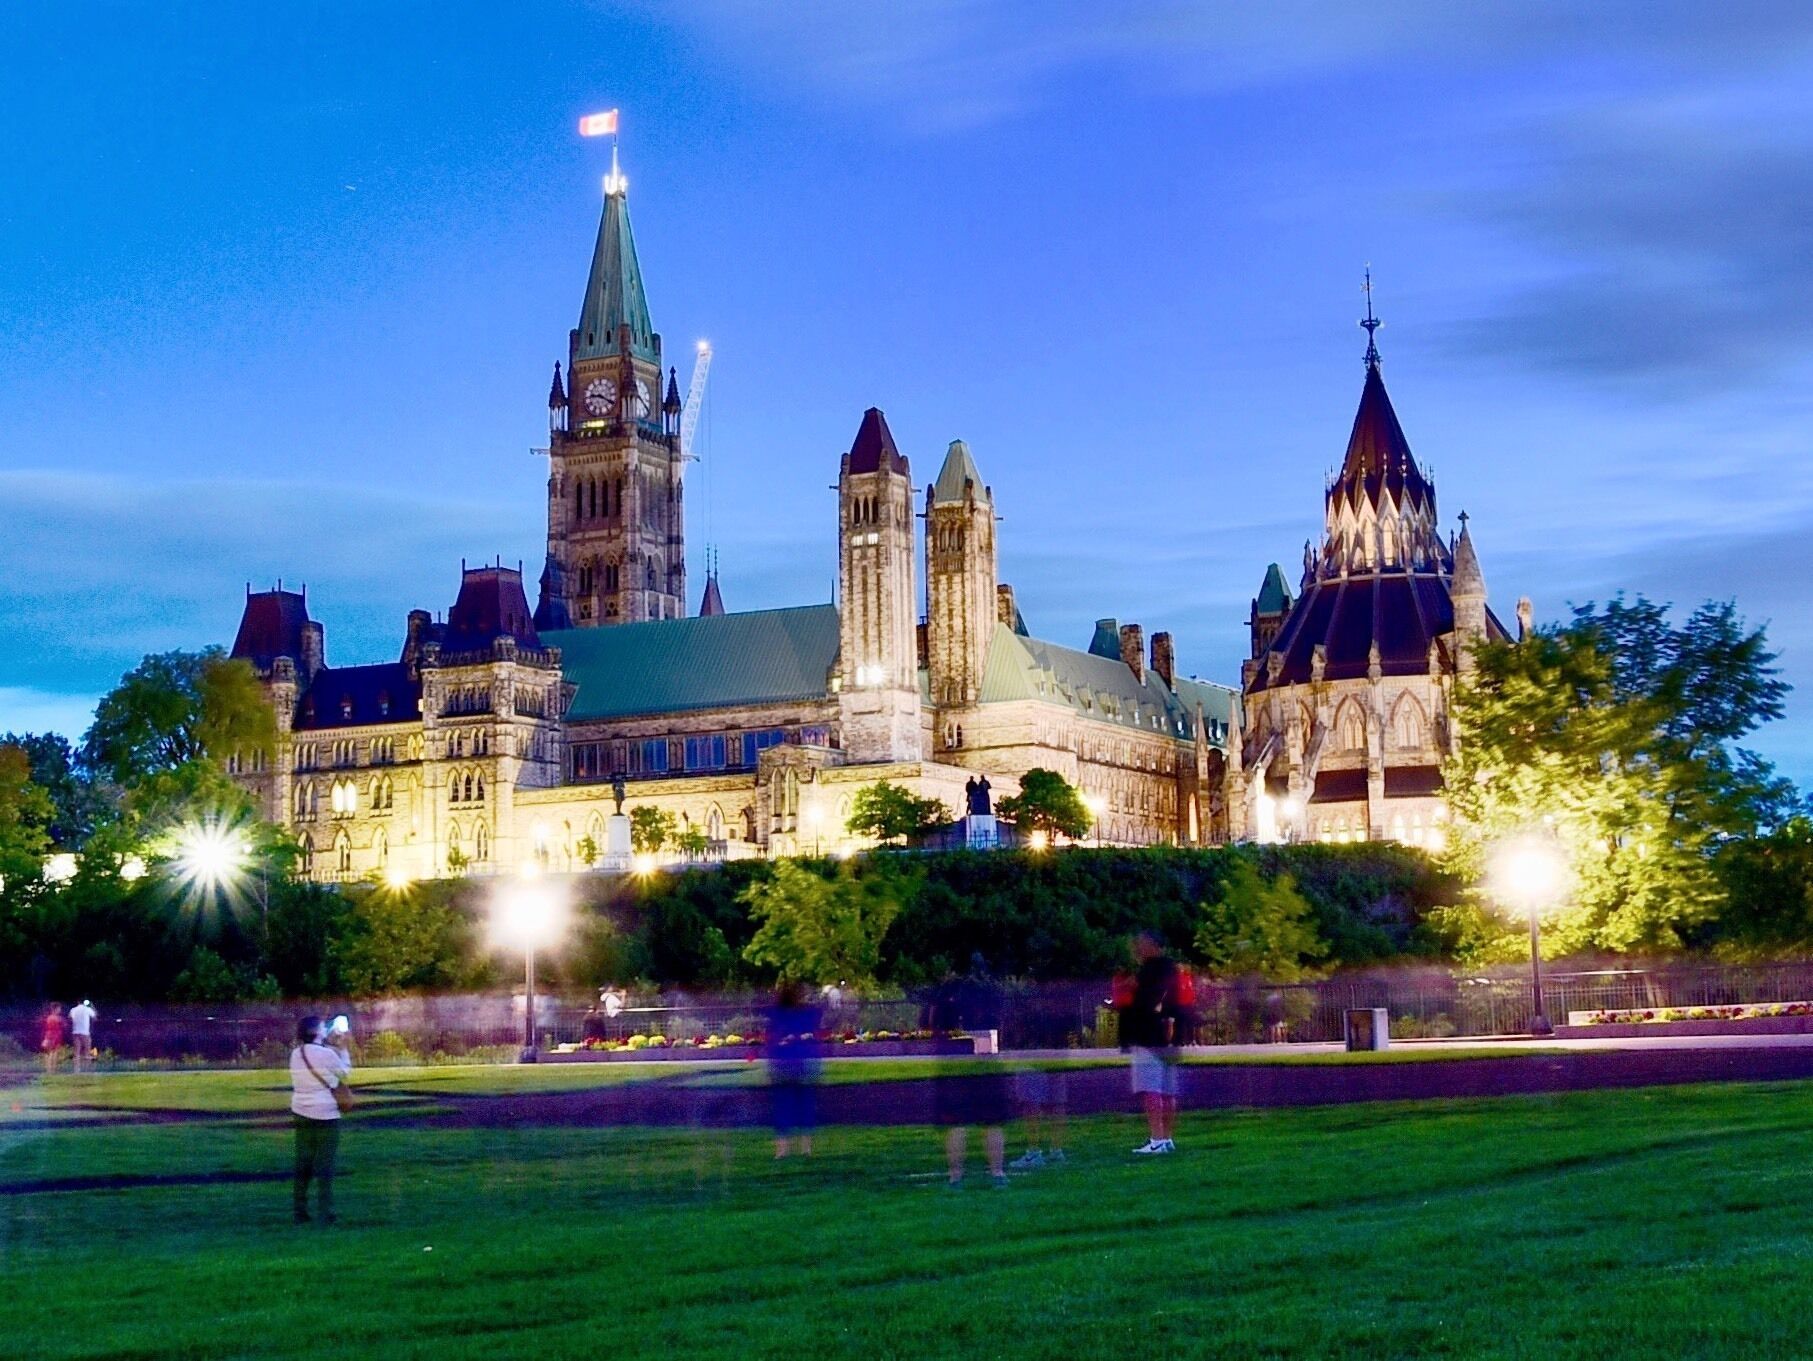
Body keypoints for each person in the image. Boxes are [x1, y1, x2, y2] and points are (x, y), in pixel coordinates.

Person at [928, 957, 1011, 1188]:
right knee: (992, 1121)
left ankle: (956, 1177)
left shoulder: (948, 990)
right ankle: (997, 1173)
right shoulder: (990, 989)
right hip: (987, 1057)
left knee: (956, 1123)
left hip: (955, 1058)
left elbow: (933, 1021)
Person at [289, 1015, 352, 1225]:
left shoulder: (296, 1054)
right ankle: (325, 1213)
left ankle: (300, 1211)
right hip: (325, 1114)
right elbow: (344, 1073)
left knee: (303, 1164)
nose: (325, 1029)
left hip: (301, 1111)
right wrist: (342, 1048)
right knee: (325, 1165)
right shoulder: (327, 1054)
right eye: (322, 1027)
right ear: (316, 1032)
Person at [1123, 932, 1182, 1155]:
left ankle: (1156, 1139)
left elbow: (1137, 994)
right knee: (1168, 1091)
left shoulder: (1149, 969)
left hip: (1147, 1034)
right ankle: (1166, 1138)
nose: (1138, 948)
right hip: (1168, 1035)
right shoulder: (1172, 968)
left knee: (1151, 1089)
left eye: (1141, 944)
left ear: (1153, 945)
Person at [765, 980, 823, 1158]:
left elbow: (773, 1039)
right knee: (805, 1106)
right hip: (803, 1063)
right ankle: (805, 1149)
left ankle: (782, 1150)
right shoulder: (807, 1013)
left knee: (783, 1107)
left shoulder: (778, 1014)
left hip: (784, 1064)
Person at [68, 999, 97, 1073]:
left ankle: (76, 1069)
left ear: (78, 1002)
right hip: (85, 1032)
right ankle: (87, 1069)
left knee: (76, 1052)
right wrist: (92, 1006)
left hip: (75, 1032)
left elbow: (70, 1018)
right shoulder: (87, 1009)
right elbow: (94, 1017)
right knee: (87, 1050)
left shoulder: (73, 1009)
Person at [39, 1004, 66, 1074]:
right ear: (55, 1009)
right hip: (55, 1036)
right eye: (59, 1008)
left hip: (49, 1035)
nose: (60, 1010)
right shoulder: (58, 1018)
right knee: (53, 1053)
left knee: (48, 1053)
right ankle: (52, 1069)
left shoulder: (49, 1017)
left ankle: (49, 1069)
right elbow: (64, 1025)